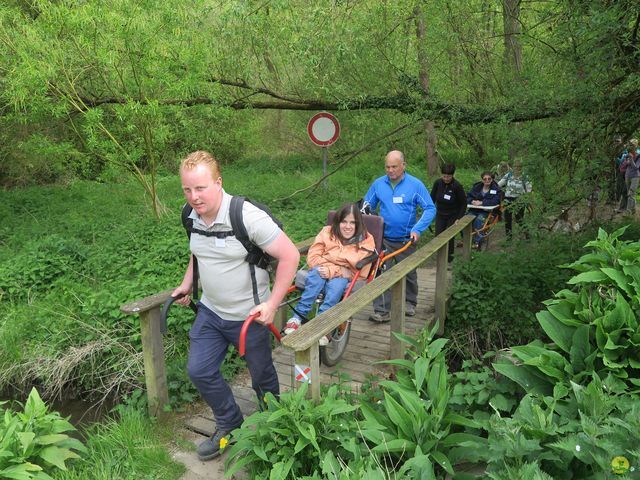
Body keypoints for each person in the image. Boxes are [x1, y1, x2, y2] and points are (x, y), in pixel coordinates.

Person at [172, 151, 300, 461]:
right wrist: (188, 282)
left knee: (262, 376)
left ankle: (275, 425)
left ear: (218, 182)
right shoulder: (190, 215)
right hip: (211, 312)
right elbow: (198, 252)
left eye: (200, 188)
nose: (194, 197)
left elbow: (291, 256)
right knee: (199, 370)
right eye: (187, 189)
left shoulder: (246, 216)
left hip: (250, 317)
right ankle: (230, 422)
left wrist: (272, 303)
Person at [283, 203, 376, 343]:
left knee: (337, 285)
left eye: (352, 222)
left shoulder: (366, 241)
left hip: (341, 277)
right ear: (338, 222)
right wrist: (340, 267)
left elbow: (361, 272)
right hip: (324, 271)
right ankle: (298, 316)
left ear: (359, 224)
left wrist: (331, 268)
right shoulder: (327, 232)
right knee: (317, 274)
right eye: (344, 221)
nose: (348, 226)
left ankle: (324, 324)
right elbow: (313, 258)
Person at [362, 150, 436, 323]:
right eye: (387, 167)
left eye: (394, 166)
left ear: (403, 165)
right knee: (379, 272)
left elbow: (430, 208)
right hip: (384, 239)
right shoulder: (379, 184)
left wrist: (418, 229)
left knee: (409, 273)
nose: (390, 170)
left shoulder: (415, 185)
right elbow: (366, 206)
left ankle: (410, 303)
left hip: (406, 239)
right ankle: (382, 311)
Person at [430, 164, 466, 263]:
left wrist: (459, 217)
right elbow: (431, 199)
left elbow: (463, 203)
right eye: (444, 176)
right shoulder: (437, 183)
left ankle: (449, 259)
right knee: (438, 236)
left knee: (449, 238)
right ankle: (440, 257)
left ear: (452, 175)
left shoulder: (457, 186)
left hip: (453, 215)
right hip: (440, 214)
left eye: (448, 176)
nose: (446, 178)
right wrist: (429, 211)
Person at [467, 171, 502, 248]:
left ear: (492, 179)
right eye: (485, 179)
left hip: (487, 211)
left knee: (479, 220)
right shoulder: (476, 187)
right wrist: (472, 201)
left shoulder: (496, 189)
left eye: (489, 179)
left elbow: (496, 201)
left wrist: (482, 203)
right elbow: (467, 197)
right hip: (474, 210)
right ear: (482, 180)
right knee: (467, 218)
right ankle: (466, 239)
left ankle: (477, 241)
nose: (487, 181)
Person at [497, 162, 532, 239]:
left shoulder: (525, 176)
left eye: (519, 166)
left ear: (521, 167)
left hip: (519, 200)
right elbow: (499, 184)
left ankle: (527, 234)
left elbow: (529, 189)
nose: (517, 168)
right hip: (508, 199)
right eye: (515, 166)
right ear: (512, 167)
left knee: (519, 219)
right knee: (507, 219)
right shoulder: (509, 175)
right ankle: (509, 237)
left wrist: (525, 197)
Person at [616, 139, 640, 215]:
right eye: (629, 145)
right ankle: (631, 209)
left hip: (635, 176)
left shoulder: (638, 155)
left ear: (636, 146)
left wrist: (631, 159)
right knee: (628, 193)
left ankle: (629, 211)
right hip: (627, 175)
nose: (630, 147)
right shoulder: (627, 154)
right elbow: (625, 165)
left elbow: (636, 167)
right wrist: (626, 160)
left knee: (631, 193)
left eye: (632, 145)